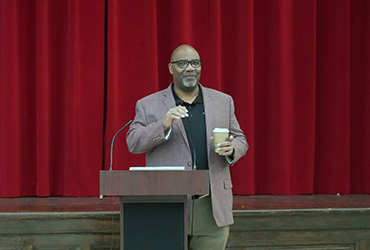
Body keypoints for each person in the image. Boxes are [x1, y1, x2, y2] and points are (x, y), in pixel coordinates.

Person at [126, 44, 248, 250]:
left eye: (195, 63)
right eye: (182, 63)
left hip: (211, 205)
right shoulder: (148, 104)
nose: (190, 68)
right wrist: (162, 125)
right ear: (170, 68)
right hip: (168, 204)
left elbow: (240, 139)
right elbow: (133, 142)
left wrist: (233, 148)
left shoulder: (223, 101)